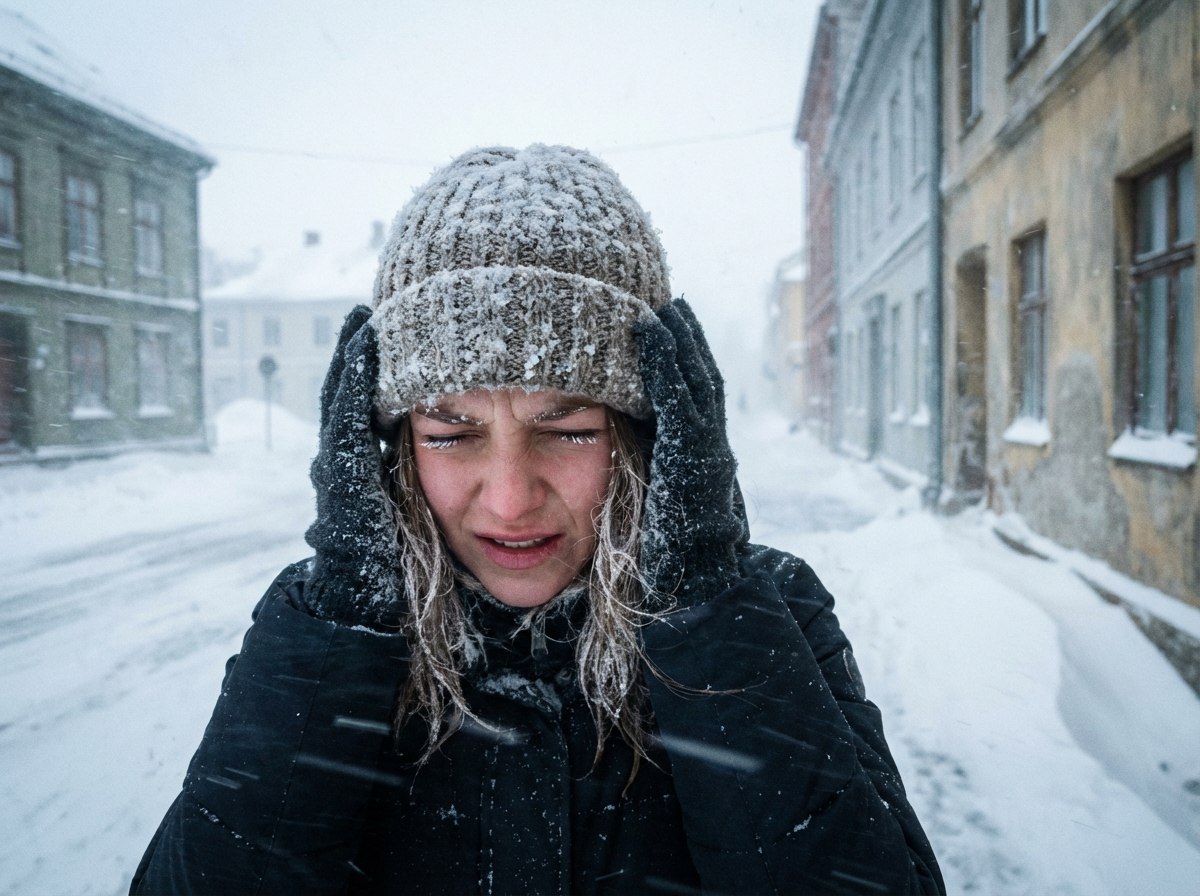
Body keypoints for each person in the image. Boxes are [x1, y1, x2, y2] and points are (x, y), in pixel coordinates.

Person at [131, 144, 943, 895]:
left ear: (651, 429)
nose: (511, 499)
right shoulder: (326, 627)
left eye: (568, 431)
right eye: (451, 435)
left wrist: (702, 602)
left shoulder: (764, 607)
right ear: (390, 444)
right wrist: (345, 622)